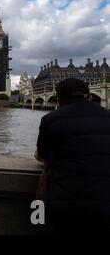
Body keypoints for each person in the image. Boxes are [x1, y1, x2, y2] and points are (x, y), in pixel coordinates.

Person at [35, 78, 110, 233]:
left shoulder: (50, 120)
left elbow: (42, 156)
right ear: (89, 97)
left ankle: (37, 221)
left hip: (66, 206)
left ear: (59, 101)